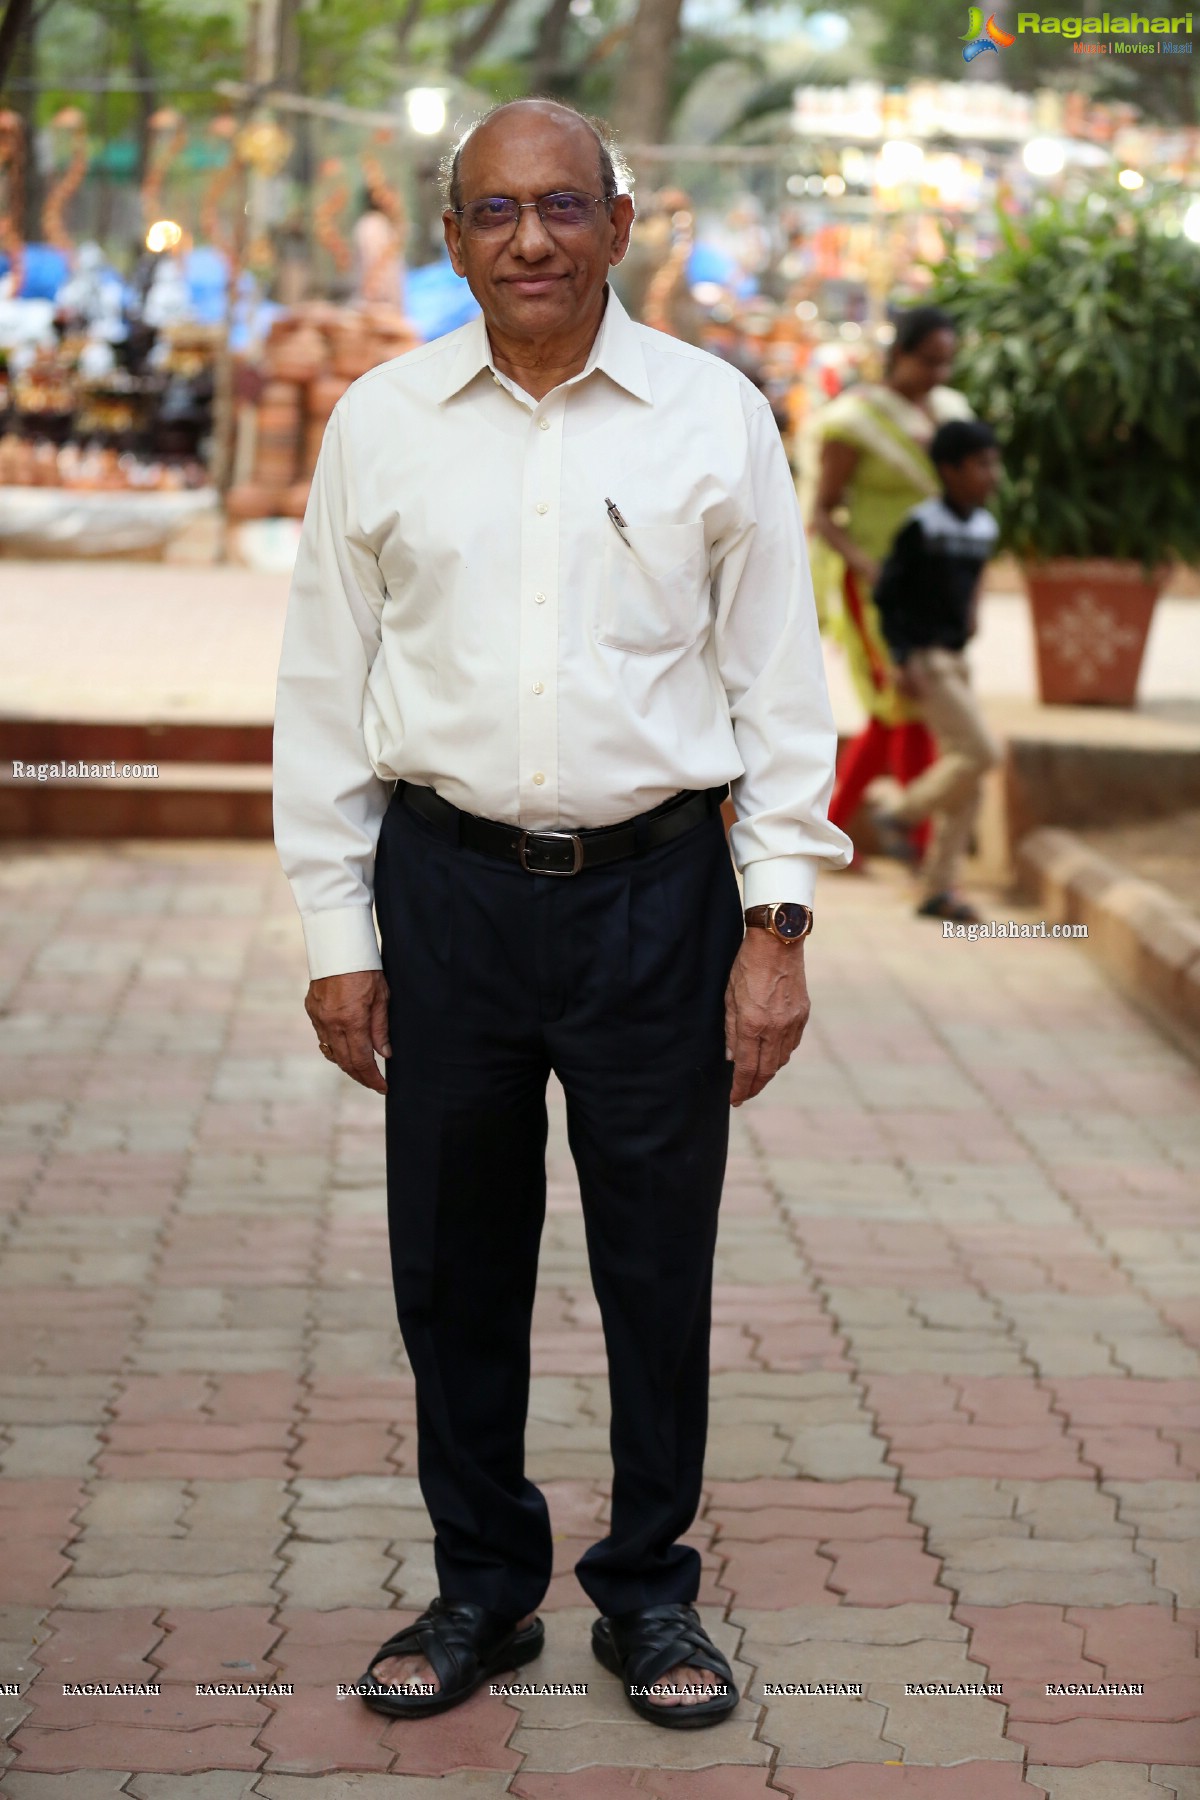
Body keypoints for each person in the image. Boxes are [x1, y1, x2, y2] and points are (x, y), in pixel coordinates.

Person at [273, 98, 850, 1732]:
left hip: (658, 898)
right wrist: (337, 937)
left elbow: (777, 687)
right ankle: (483, 1588)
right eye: (497, 211)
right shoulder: (381, 424)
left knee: (657, 1262)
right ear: (452, 236)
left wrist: (775, 924)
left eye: (564, 206)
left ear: (621, 218)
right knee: (453, 1266)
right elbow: (324, 695)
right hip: (442, 891)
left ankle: (651, 1594)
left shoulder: (713, 416)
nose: (531, 238)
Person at [807, 306, 974, 863]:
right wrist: (865, 564)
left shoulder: (952, 413)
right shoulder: (853, 420)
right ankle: (916, 838)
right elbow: (824, 514)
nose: (938, 374)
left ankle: (834, 829)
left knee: (897, 706)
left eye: (947, 362)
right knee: (904, 701)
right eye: (928, 361)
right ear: (898, 354)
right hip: (876, 585)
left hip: (936, 585)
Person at [866, 418, 1002, 922]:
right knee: (982, 752)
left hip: (958, 660)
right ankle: (900, 815)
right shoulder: (922, 526)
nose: (993, 474)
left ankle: (936, 890)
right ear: (949, 470)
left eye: (994, 462)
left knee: (969, 781)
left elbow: (970, 586)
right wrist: (900, 657)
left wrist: (973, 613)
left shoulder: (984, 527)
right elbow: (887, 595)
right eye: (982, 463)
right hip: (926, 661)